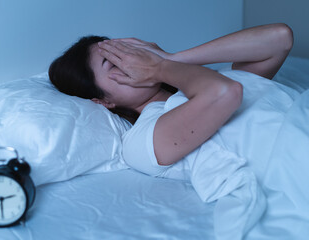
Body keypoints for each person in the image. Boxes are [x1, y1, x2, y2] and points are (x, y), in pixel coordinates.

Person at [49, 23, 297, 239]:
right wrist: (159, 68)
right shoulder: (140, 140)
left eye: (126, 52)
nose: (130, 60)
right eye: (112, 63)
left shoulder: (210, 78)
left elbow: (280, 38)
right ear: (103, 101)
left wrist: (172, 58)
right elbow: (224, 93)